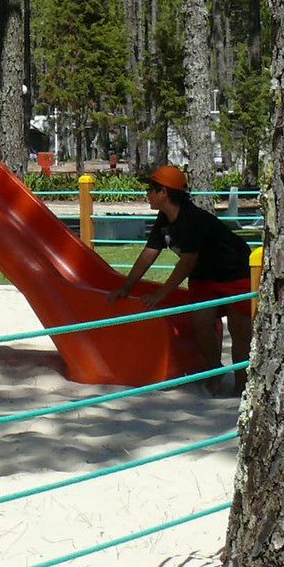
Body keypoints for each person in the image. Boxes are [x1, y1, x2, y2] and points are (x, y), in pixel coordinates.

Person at [106, 165, 255, 395]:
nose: (147, 194)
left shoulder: (192, 219)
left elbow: (186, 262)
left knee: (240, 331)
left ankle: (241, 387)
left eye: (151, 190)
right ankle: (214, 373)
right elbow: (148, 253)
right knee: (200, 323)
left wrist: (160, 295)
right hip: (204, 277)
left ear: (164, 192)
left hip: (236, 273)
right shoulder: (164, 219)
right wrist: (126, 288)